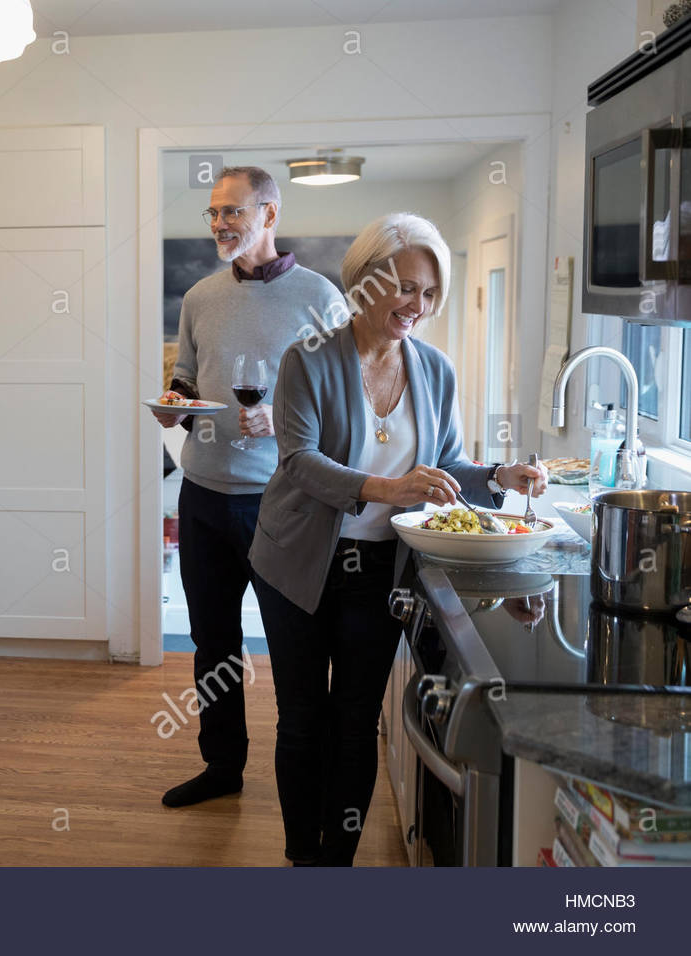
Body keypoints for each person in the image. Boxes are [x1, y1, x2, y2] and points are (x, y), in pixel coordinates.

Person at [248, 213, 546, 865]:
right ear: (366, 280)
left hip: (379, 571)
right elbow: (297, 460)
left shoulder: (434, 370)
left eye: (430, 294)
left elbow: (445, 469)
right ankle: (303, 857)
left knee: (355, 720)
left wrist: (499, 475)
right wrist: (390, 489)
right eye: (406, 287)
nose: (418, 306)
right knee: (303, 718)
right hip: (297, 561)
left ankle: (336, 862)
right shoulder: (311, 357)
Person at [153, 167, 347, 808]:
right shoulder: (200, 298)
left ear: (269, 214)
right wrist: (173, 405)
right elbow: (184, 376)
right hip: (203, 494)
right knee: (213, 644)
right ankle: (222, 767)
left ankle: (306, 776)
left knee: (294, 646)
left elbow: (344, 405)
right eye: (212, 214)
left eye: (231, 212)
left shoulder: (321, 298)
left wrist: (282, 419)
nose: (219, 225)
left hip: (282, 503)